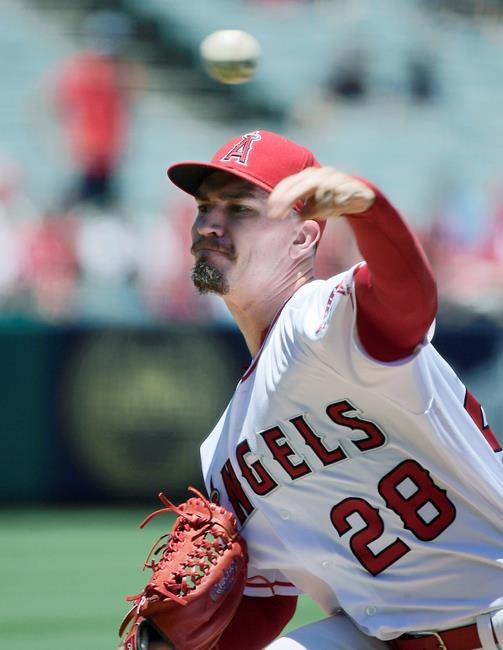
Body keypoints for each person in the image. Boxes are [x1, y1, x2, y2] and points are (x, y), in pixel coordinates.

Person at [163, 129, 503, 649]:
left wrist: (370, 210)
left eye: (240, 208)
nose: (211, 221)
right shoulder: (220, 451)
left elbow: (408, 303)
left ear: (303, 238)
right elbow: (267, 597)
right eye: (205, 206)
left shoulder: (318, 323)